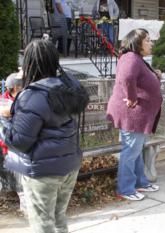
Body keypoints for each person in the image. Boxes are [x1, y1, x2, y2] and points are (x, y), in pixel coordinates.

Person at [0, 39, 89, 233]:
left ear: (29, 64)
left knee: (43, 224)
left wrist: (5, 118)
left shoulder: (32, 96)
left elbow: (19, 142)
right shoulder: (68, 87)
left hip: (43, 171)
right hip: (69, 165)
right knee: (58, 218)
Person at [106, 28, 162, 201]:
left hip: (138, 116)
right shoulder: (131, 58)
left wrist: (155, 76)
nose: (151, 43)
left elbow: (139, 79)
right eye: (147, 40)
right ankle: (126, 189)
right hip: (132, 115)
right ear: (137, 43)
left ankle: (140, 182)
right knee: (130, 152)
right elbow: (127, 78)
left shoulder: (136, 59)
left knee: (136, 150)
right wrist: (131, 97)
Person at [0, 72, 24, 209]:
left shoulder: (23, 100)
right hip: (7, 146)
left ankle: (23, 203)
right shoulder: (4, 101)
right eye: (21, 86)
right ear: (15, 88)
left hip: (17, 146)